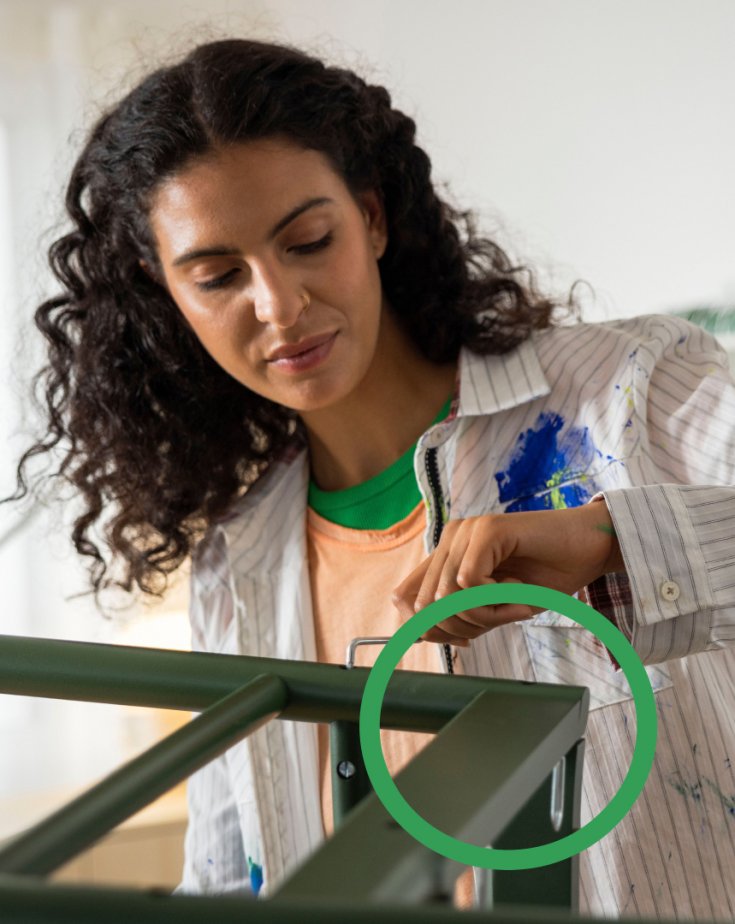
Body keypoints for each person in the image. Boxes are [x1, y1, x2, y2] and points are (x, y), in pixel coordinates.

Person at [8, 38, 735, 918]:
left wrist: (611, 541)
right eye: (217, 276)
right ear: (165, 295)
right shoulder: (238, 566)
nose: (279, 305)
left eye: (308, 241)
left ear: (373, 219)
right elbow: (230, 868)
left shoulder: (628, 389)